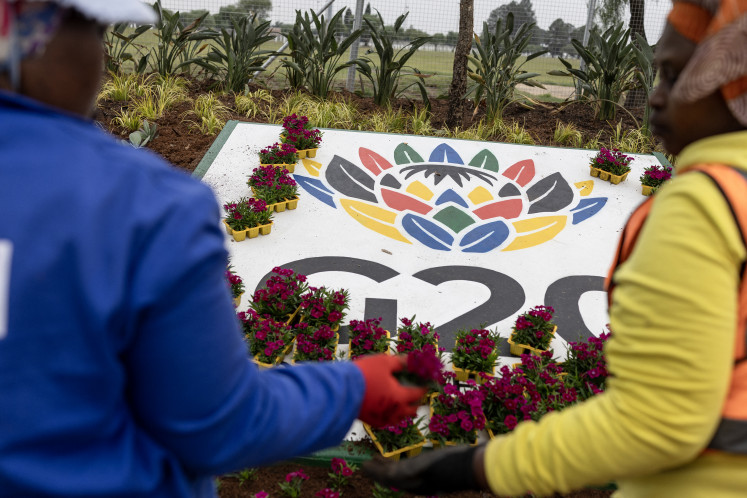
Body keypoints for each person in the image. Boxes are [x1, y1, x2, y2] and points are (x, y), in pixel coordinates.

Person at [0, 1, 426, 496]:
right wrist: (352, 388)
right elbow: (217, 425)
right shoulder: (142, 207)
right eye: (94, 30)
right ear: (27, 33)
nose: (101, 58)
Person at [364, 0, 747, 496]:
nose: (656, 98)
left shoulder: (703, 204)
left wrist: (477, 467)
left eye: (674, 77)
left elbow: (658, 422)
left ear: (732, 83)